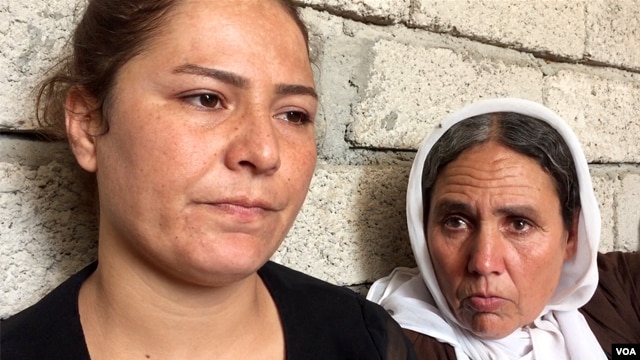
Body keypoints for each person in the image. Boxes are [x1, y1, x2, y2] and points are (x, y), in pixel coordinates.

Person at [1, 1, 416, 359]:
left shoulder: (366, 339)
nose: (264, 152)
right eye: (206, 98)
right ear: (88, 126)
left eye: (293, 114)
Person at [367, 98, 640, 359]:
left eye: (520, 224)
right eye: (456, 222)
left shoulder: (615, 293)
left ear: (571, 236)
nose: (483, 263)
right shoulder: (395, 345)